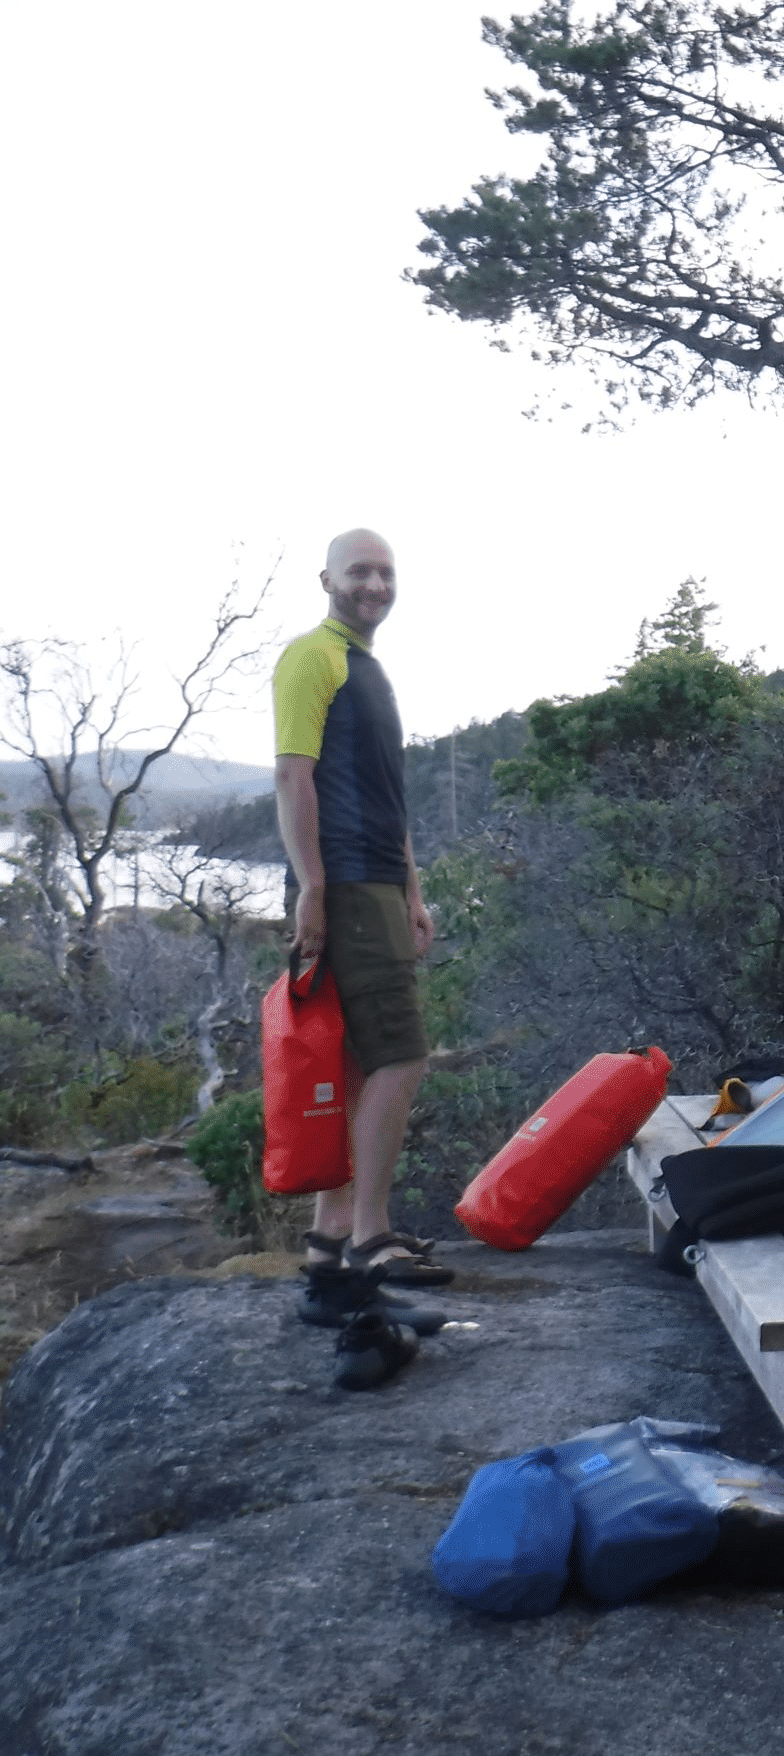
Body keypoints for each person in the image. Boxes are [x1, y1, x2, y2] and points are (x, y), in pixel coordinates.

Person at [273, 527, 452, 1288]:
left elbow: (386, 795)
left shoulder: (365, 668)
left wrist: (413, 890)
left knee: (351, 1062)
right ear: (327, 580)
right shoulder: (313, 656)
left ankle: (332, 1233)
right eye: (359, 572)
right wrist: (313, 883)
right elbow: (292, 776)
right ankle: (370, 1234)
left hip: (377, 882)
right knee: (402, 1053)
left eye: (385, 572)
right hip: (344, 884)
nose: (374, 584)